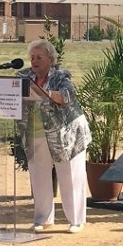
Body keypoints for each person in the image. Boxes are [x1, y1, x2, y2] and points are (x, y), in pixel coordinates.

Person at [15, 39, 91, 233]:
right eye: (32, 57)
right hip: (35, 132)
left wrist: (45, 93)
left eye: (39, 57)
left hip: (67, 134)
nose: (34, 61)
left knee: (70, 175)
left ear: (50, 58)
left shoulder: (60, 75)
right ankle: (43, 219)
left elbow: (66, 96)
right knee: (39, 176)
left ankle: (76, 220)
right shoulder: (23, 76)